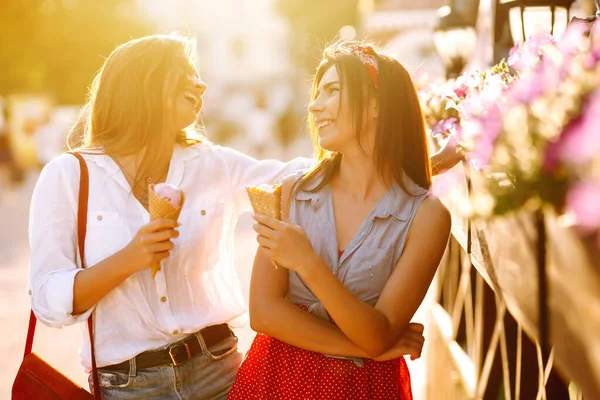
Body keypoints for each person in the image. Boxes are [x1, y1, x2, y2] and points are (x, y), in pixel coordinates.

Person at [29, 34, 457, 399]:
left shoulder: (211, 164)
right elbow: (48, 300)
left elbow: (317, 178)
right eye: (184, 70)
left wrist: (425, 161)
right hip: (129, 385)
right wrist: (128, 259)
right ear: (142, 81)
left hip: (221, 371)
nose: (200, 81)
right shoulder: (70, 176)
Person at [228, 42, 452, 399]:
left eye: (332, 91)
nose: (314, 106)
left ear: (378, 104)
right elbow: (263, 312)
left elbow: (379, 334)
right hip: (276, 381)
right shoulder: (290, 193)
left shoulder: (427, 217)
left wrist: (306, 261)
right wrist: (367, 350)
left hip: (365, 389)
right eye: (316, 94)